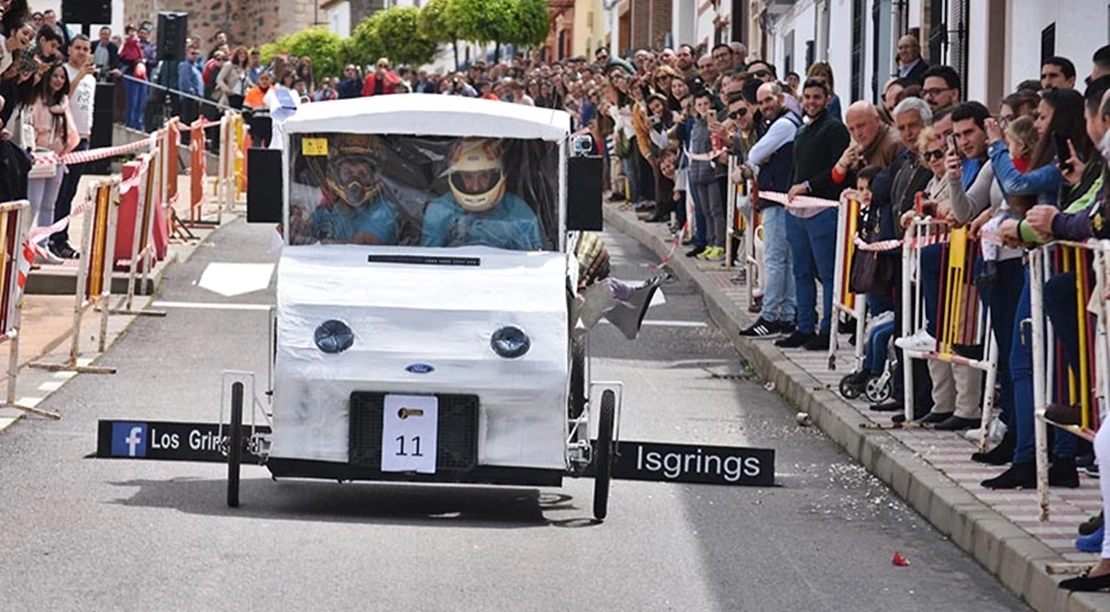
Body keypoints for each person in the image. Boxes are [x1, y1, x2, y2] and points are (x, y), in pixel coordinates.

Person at [421, 138, 544, 251]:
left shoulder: (520, 214)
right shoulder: (440, 211)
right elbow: (427, 260)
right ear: (456, 177)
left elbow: (534, 260)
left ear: (497, 175)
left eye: (484, 176)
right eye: (467, 177)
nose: (476, 186)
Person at [289, 134, 398, 246]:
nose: (354, 181)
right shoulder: (330, 209)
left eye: (363, 174)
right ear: (335, 174)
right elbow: (307, 226)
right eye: (347, 173)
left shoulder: (384, 211)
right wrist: (297, 225)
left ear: (375, 176)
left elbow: (359, 247)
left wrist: (307, 241)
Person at [49, 35, 96, 260]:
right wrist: (78, 77)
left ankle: (62, 238)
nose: (81, 52)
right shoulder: (64, 72)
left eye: (85, 49)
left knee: (70, 192)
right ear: (69, 49)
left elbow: (88, 108)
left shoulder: (91, 79)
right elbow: (62, 98)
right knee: (60, 191)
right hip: (65, 138)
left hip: (82, 139)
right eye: (78, 48)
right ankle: (54, 238)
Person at [28, 63, 78, 263]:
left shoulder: (64, 102)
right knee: (33, 203)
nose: (58, 80)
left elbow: (70, 131)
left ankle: (43, 247)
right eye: (55, 76)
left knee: (49, 205)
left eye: (62, 77)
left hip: (57, 158)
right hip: (39, 157)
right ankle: (23, 246)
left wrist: (63, 151)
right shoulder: (36, 99)